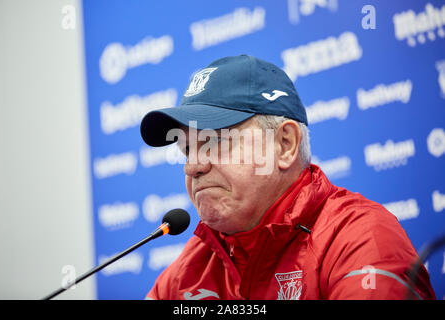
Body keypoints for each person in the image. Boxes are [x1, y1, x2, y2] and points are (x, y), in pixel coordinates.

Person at [140, 55, 435, 300]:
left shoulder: (360, 239)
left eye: (215, 141)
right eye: (188, 148)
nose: (192, 166)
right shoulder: (188, 272)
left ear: (285, 144)